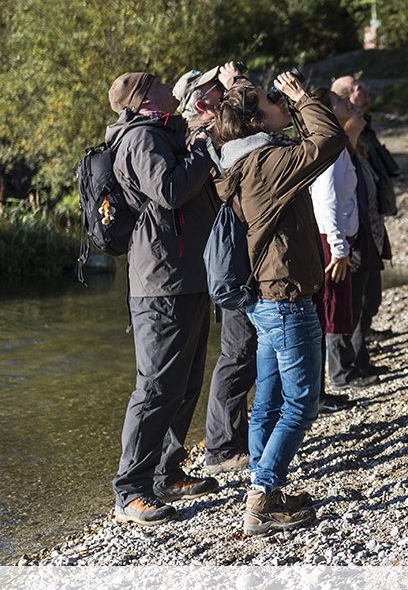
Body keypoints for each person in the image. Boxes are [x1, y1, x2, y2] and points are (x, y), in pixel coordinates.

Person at [212, 64, 348, 534]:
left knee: (268, 401)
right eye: (273, 102)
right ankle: (263, 496)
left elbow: (310, 143)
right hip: (285, 299)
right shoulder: (266, 165)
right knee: (302, 404)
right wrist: (303, 95)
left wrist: (256, 95)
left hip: (265, 299)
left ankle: (263, 483)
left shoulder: (243, 161)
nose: (280, 103)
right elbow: (329, 141)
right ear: (256, 121)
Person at [106, 72, 220, 526]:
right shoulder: (140, 138)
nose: (164, 84)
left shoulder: (164, 133)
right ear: (142, 100)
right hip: (161, 281)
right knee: (155, 388)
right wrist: (200, 152)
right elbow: (168, 190)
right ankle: (129, 491)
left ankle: (167, 472)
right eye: (154, 83)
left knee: (186, 382)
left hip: (187, 275)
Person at [172, 66, 256, 474]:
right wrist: (236, 86)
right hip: (225, 261)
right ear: (200, 101)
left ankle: (231, 438)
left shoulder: (210, 133)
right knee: (237, 350)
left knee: (244, 349)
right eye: (212, 88)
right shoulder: (198, 139)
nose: (220, 92)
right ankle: (221, 448)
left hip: (229, 255)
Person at [311, 87, 390, 390]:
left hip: (354, 239)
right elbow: (328, 203)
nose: (351, 104)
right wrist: (339, 247)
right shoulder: (331, 151)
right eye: (341, 102)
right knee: (334, 310)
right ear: (330, 114)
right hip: (339, 243)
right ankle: (338, 375)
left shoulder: (349, 150)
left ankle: (344, 370)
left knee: (353, 305)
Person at [330, 75, 397, 343]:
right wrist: (339, 246)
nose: (365, 93)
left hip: (369, 231)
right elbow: (331, 204)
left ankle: (360, 345)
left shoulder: (362, 139)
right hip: (353, 240)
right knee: (353, 302)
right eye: (357, 91)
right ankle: (349, 360)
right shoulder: (339, 154)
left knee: (369, 297)